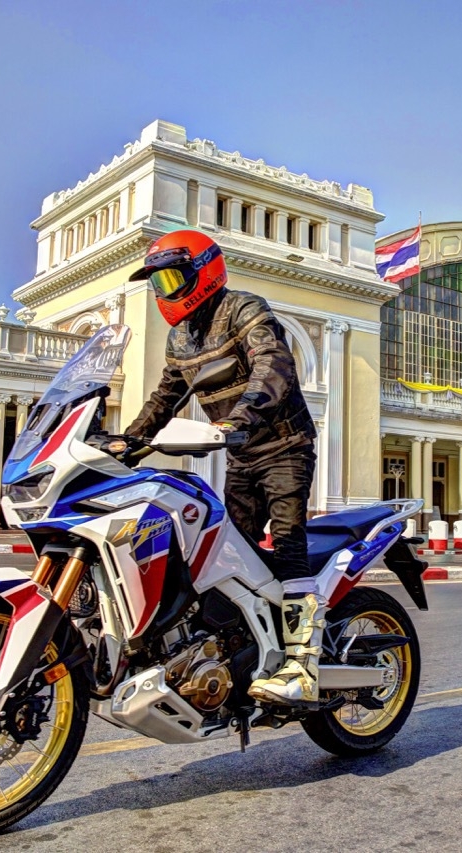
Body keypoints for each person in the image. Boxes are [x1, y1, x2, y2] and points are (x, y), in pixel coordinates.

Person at [124, 229, 322, 707]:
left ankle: (303, 666)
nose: (164, 290)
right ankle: (241, 647)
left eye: (171, 278)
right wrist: (128, 441)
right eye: (158, 283)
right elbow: (166, 395)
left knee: (289, 545)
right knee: (229, 551)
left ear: (203, 272)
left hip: (284, 447)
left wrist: (241, 416)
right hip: (241, 455)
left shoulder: (244, 309)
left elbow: (272, 365)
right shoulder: (180, 337)